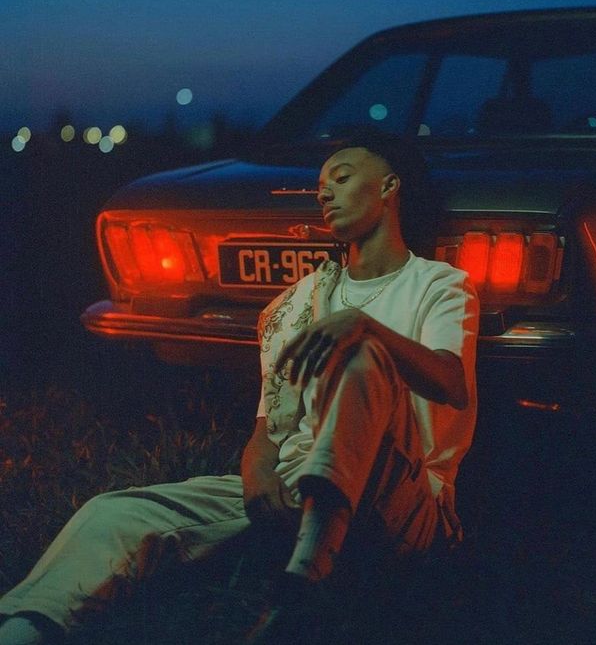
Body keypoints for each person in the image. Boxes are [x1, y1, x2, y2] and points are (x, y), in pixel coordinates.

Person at [0, 132, 479, 644]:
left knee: (362, 357)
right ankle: (27, 625)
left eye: (341, 178)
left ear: (389, 186)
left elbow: (450, 383)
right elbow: (268, 432)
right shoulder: (295, 304)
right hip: (299, 489)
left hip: (398, 501)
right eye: (321, 186)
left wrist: (363, 325)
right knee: (118, 512)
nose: (325, 192)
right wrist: (257, 482)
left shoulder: (439, 284)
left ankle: (303, 587)